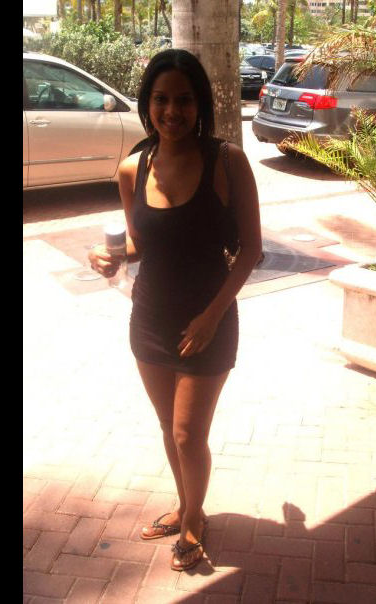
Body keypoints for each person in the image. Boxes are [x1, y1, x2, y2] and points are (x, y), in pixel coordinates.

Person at [88, 49, 262, 571]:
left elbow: (251, 249)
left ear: (199, 104)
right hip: (149, 321)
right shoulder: (133, 168)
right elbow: (141, 244)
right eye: (161, 99)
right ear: (147, 104)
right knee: (169, 429)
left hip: (209, 322)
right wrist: (110, 256)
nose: (172, 111)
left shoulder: (227, 162)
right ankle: (188, 506)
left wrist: (212, 316)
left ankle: (192, 520)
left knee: (189, 434)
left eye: (183, 100)